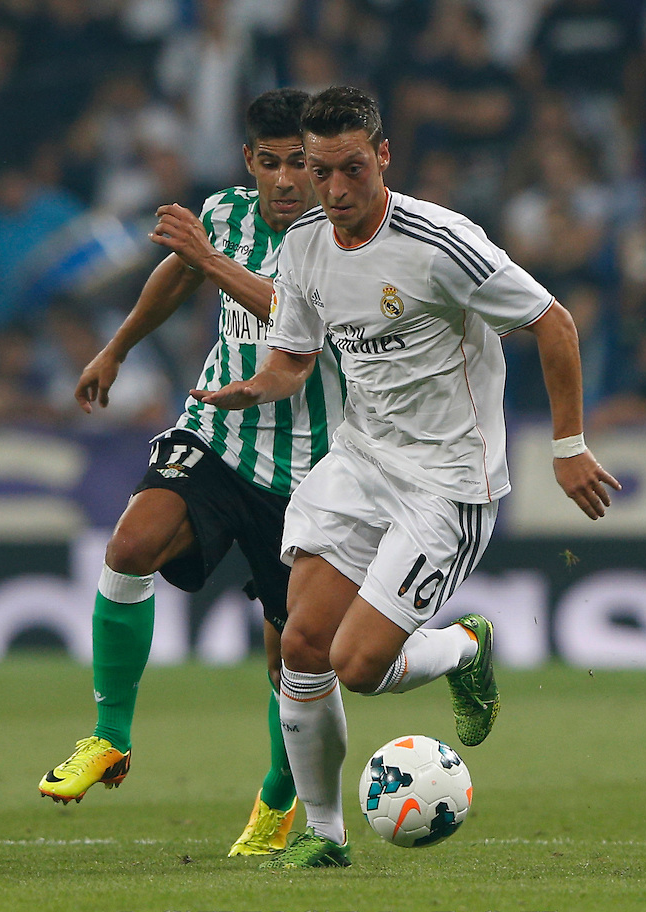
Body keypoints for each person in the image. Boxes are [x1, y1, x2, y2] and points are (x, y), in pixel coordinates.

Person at [195, 86, 622, 869]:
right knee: (302, 647)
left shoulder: (441, 243)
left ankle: (462, 647)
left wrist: (568, 446)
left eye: (351, 168)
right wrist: (253, 388)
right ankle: (324, 836)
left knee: (358, 666)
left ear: (383, 155)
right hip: (361, 461)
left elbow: (553, 322)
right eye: (320, 171)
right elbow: (294, 356)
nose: (334, 188)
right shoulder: (304, 244)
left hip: (446, 482)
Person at [37, 88, 346, 858]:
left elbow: (295, 317)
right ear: (249, 161)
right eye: (270, 162)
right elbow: (178, 278)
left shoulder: (345, 239)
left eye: (300, 164)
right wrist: (118, 348)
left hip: (312, 469)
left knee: (293, 657)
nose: (285, 180)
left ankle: (279, 796)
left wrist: (207, 258)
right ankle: (110, 736)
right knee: (129, 545)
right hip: (217, 434)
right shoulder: (226, 214)